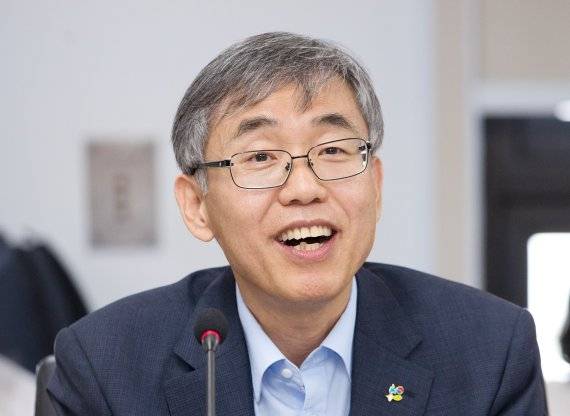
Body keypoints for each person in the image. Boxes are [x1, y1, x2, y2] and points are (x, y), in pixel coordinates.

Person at [47, 32, 547, 415]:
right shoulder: (105, 365)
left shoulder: (490, 351)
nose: (304, 188)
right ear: (197, 206)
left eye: (333, 150)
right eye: (260, 157)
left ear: (374, 186)